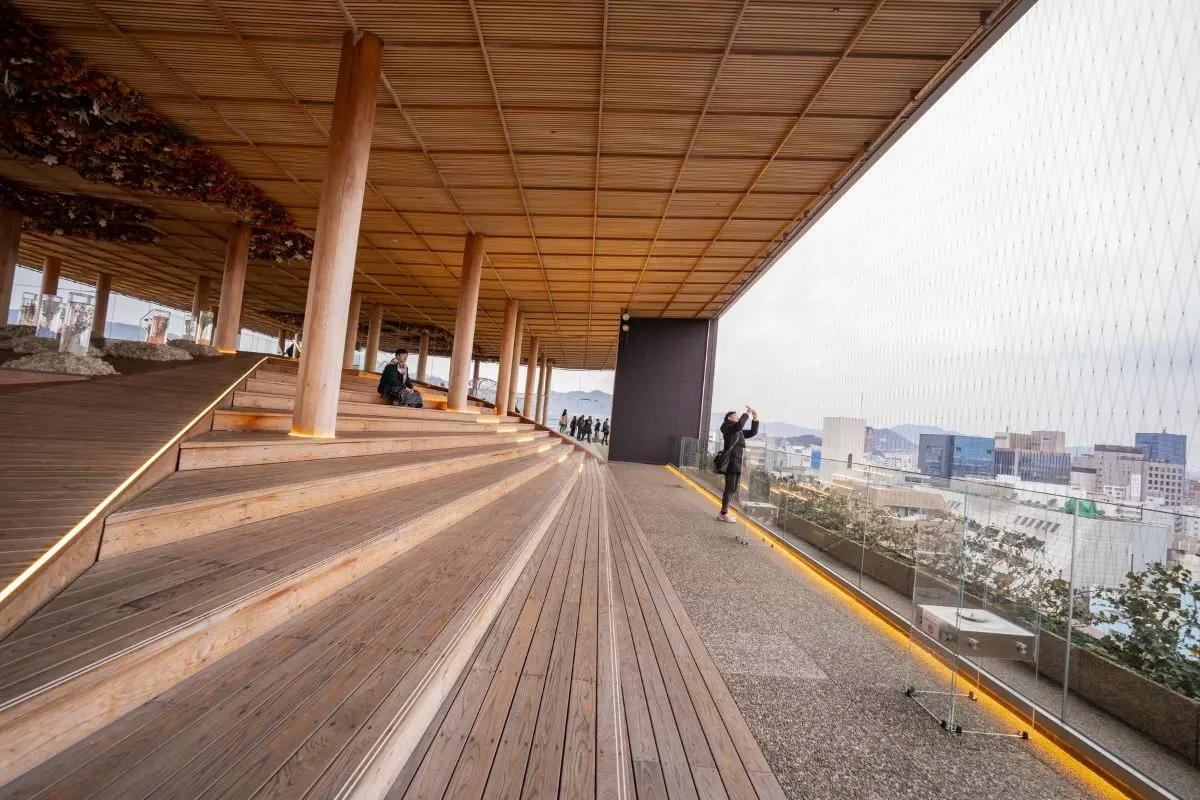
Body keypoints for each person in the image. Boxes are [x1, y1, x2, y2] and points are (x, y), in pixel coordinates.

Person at [716, 406, 759, 523]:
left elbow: (753, 432)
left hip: (738, 463)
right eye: (735, 416)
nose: (738, 417)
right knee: (730, 488)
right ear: (729, 418)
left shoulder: (737, 431)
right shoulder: (727, 427)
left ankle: (724, 512)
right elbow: (739, 426)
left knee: (733, 488)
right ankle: (723, 513)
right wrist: (747, 413)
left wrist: (755, 418)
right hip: (731, 462)